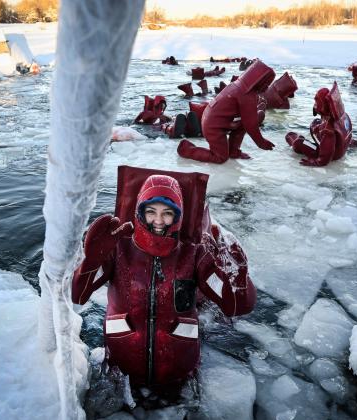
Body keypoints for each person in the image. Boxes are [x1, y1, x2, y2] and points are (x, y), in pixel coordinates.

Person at [72, 167, 257, 395]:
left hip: (180, 373)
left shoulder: (194, 254)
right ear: (139, 211)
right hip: (121, 373)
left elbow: (237, 307)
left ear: (178, 215)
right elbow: (77, 295)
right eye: (151, 211)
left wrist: (238, 282)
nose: (158, 220)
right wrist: (89, 263)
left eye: (167, 212)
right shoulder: (118, 248)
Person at [177, 59, 276, 164]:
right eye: (266, 82)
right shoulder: (246, 95)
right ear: (257, 80)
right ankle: (186, 149)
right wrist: (261, 142)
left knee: (242, 124)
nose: (267, 87)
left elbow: (247, 121)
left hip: (215, 120)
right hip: (213, 127)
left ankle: (233, 151)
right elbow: (251, 124)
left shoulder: (237, 86)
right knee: (220, 157)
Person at [285, 81, 357, 166]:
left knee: (298, 142)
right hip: (342, 147)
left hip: (333, 155)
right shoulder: (342, 115)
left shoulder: (328, 128)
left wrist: (317, 162)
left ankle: (300, 140)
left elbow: (326, 156)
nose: (315, 105)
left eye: (317, 102)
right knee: (315, 123)